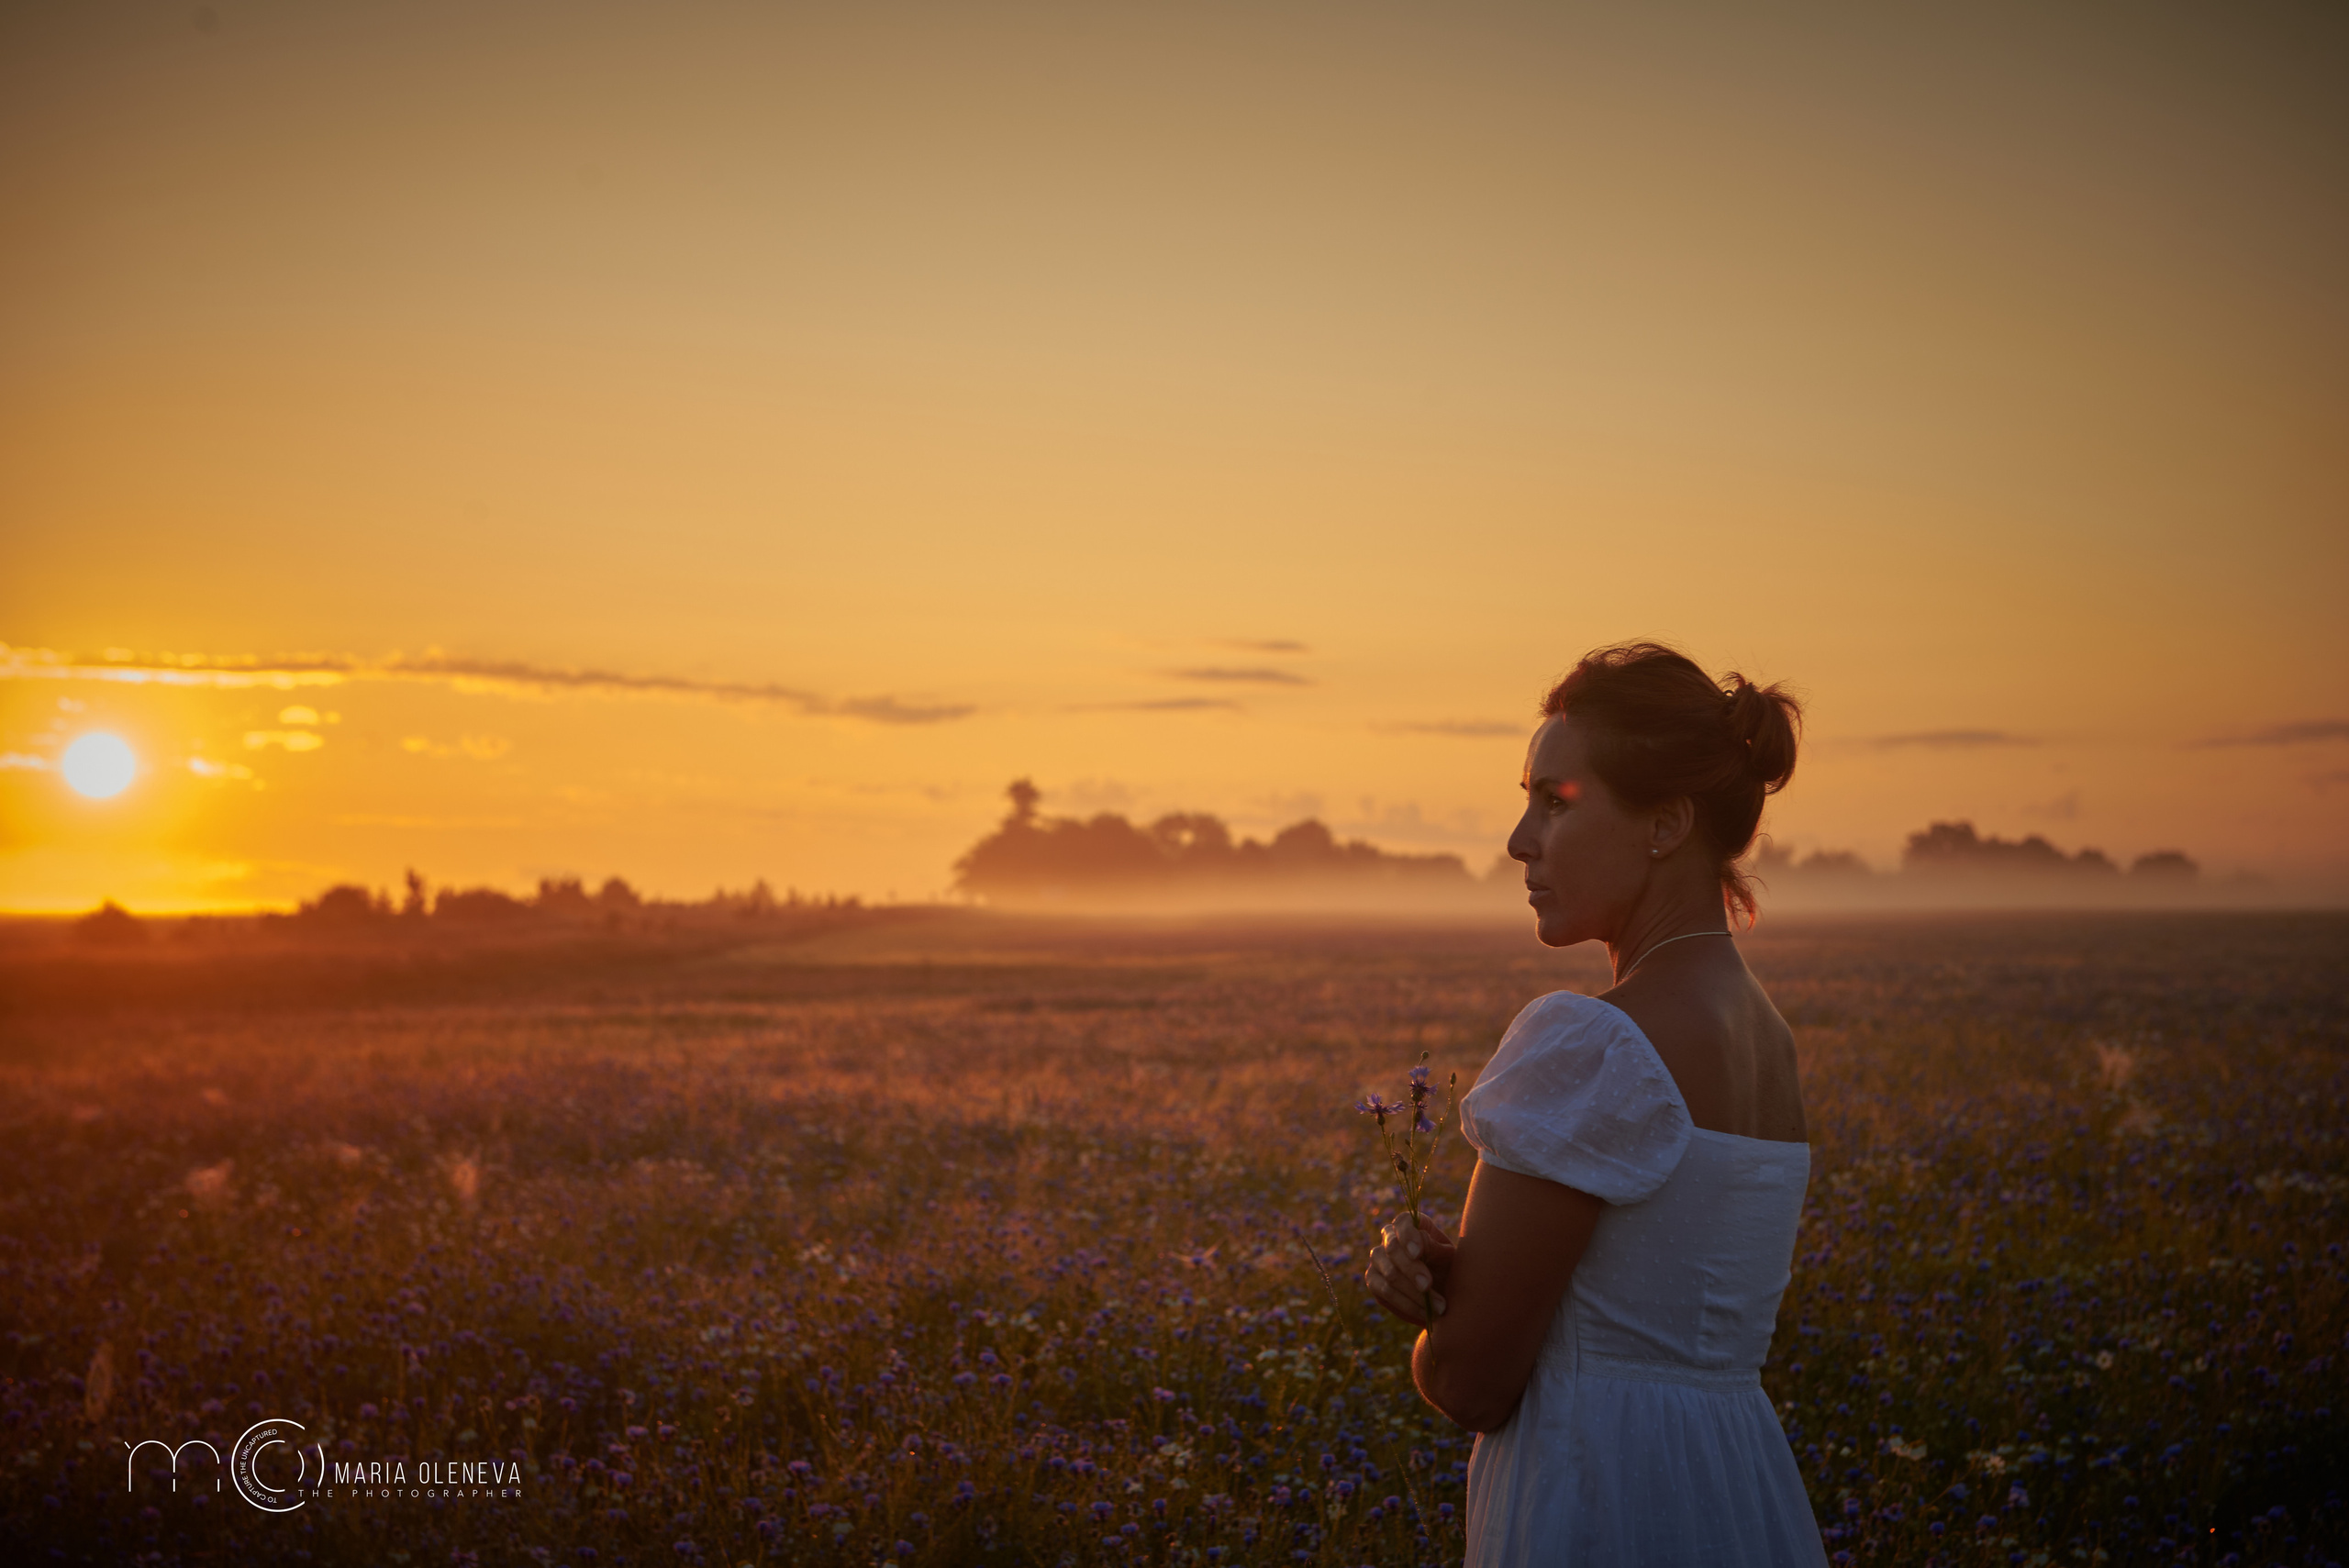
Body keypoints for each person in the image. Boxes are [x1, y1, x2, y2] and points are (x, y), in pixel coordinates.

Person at [1363, 642, 1825, 1565]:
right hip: (1736, 1487)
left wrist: (1425, 1316)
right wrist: (1479, 1271)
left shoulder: (1593, 1041)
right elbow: (1648, 1288)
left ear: (1664, 825)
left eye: (1554, 801)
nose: (1518, 839)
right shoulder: (1766, 1037)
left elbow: (1470, 1383)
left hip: (1603, 1493)